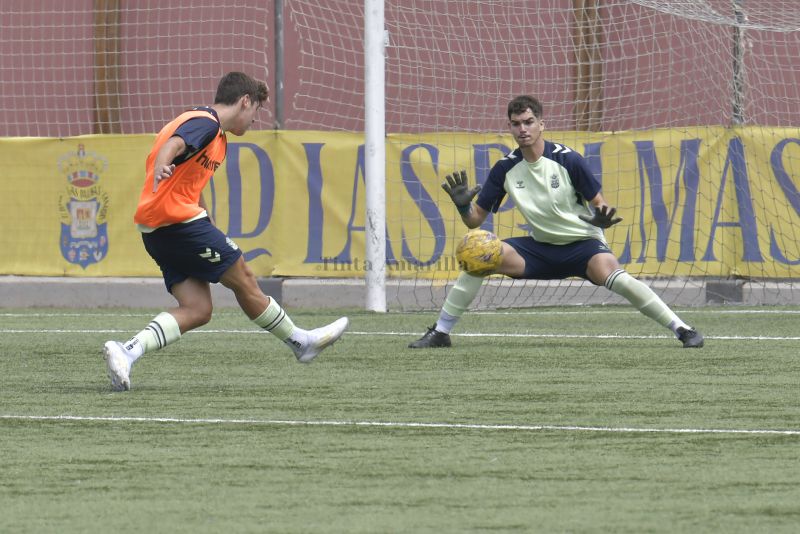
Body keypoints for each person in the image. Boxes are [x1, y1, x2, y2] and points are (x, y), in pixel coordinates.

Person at [103, 71, 348, 391]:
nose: (254, 121)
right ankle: (300, 342)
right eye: (256, 111)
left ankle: (126, 352)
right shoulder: (207, 122)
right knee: (244, 277)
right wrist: (164, 163)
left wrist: (207, 222)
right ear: (245, 101)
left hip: (158, 230)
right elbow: (175, 145)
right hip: (176, 223)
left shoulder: (217, 138)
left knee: (197, 309)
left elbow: (191, 182)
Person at [408, 94, 703, 349]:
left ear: (541, 124)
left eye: (528, 121)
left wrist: (602, 217)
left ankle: (682, 329)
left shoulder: (568, 159)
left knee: (619, 278)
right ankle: (441, 333)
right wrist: (463, 207)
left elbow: (600, 203)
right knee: (477, 255)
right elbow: (475, 221)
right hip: (539, 250)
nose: (523, 129)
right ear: (509, 127)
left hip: (582, 246)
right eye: (516, 123)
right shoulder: (505, 168)